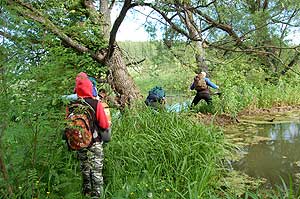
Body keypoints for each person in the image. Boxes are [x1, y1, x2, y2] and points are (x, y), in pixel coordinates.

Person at [70, 72, 110, 197]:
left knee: (85, 169)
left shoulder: (71, 105)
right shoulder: (96, 104)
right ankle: (97, 195)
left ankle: (86, 192)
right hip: (94, 141)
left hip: (79, 142)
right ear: (90, 88)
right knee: (96, 171)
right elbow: (104, 124)